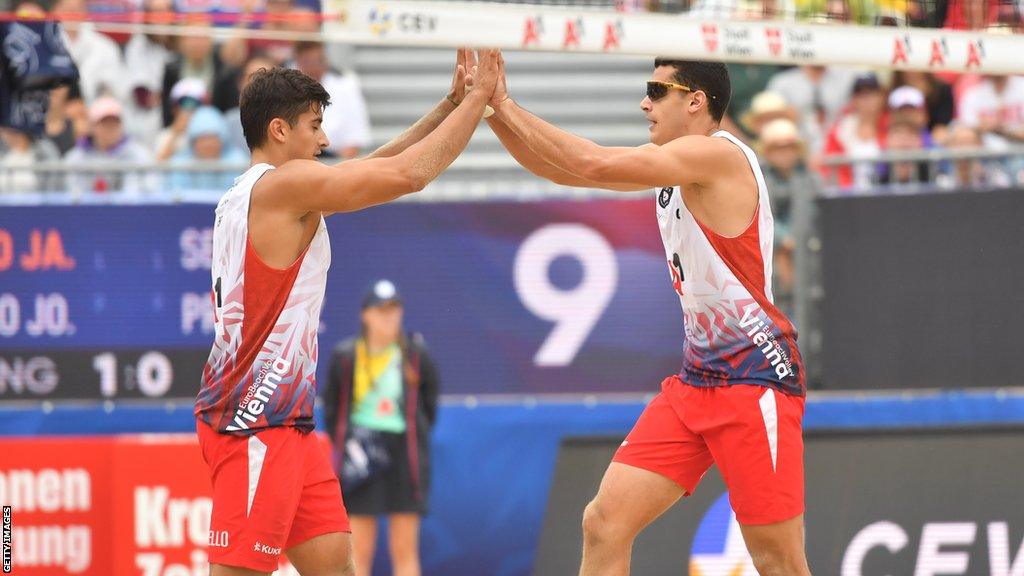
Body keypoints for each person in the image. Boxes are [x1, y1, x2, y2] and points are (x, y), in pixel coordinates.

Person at [486, 54, 808, 575]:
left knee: (779, 563)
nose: (644, 102)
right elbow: (558, 168)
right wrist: (489, 111)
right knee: (604, 523)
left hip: (754, 380)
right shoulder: (675, 165)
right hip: (699, 379)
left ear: (696, 101)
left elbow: (592, 163)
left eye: (656, 91)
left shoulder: (717, 156)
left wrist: (501, 101)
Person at [193, 48, 498, 576]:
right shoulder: (284, 186)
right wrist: (478, 101)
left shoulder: (255, 192)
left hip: (285, 419)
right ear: (280, 131)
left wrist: (449, 106)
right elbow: (408, 176)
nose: (326, 139)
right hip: (255, 421)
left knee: (336, 564)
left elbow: (373, 167)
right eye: (315, 126)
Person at [322, 280, 440, 576]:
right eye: (381, 311)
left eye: (394, 310)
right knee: (358, 551)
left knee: (404, 550)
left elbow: (429, 406)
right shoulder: (346, 356)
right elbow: (333, 408)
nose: (389, 317)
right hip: (360, 452)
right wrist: (349, 445)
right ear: (366, 315)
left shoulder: (415, 354)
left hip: (403, 454)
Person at [63, 96, 156, 196]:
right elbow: (71, 194)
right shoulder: (75, 158)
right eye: (104, 122)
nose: (110, 128)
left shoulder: (140, 155)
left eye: (115, 122)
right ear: (92, 126)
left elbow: (149, 190)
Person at [294, 41, 371, 159]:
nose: (312, 67)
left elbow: (355, 136)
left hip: (334, 158)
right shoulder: (287, 89)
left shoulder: (346, 85)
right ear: (298, 62)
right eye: (306, 62)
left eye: (318, 61)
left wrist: (337, 170)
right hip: (297, 159)